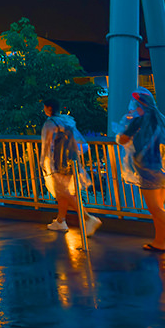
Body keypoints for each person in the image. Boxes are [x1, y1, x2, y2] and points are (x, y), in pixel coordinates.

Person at [116, 87, 165, 259]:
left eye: (135, 103)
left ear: (141, 104)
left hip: (148, 168)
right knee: (158, 209)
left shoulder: (139, 120)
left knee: (155, 208)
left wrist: (122, 131)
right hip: (164, 167)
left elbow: (123, 139)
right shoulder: (161, 120)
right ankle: (159, 242)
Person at [41, 98, 101, 236]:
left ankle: (87, 218)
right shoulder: (66, 121)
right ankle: (60, 221)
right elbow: (80, 143)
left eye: (44, 107)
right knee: (62, 192)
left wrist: (43, 163)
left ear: (49, 108)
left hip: (58, 162)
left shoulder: (50, 124)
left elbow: (47, 146)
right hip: (72, 161)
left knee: (65, 193)